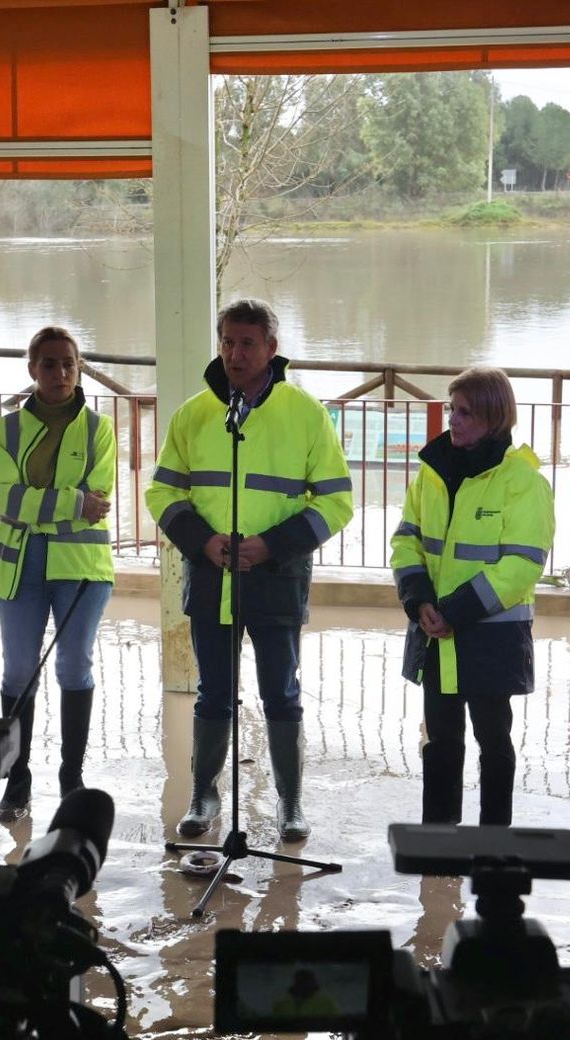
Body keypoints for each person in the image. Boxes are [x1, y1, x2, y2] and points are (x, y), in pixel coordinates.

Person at [146, 299, 353, 841]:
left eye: (246, 343)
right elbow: (162, 489)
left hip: (277, 577)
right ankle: (204, 794)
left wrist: (273, 545)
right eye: (227, 342)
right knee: (213, 692)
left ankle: (290, 803)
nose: (235, 354)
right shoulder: (193, 414)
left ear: (271, 349)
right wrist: (200, 540)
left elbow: (337, 502)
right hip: (210, 576)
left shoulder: (306, 413)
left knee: (280, 692)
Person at [390, 367, 554, 826]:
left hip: (489, 639)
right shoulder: (431, 474)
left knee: (493, 742)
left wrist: (456, 612)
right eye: (451, 409)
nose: (453, 421)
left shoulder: (524, 483)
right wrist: (418, 600)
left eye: (464, 413)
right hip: (434, 630)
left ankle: (492, 840)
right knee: (440, 740)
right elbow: (406, 540)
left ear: (494, 418)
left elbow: (522, 565)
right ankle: (440, 839)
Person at [0, 325, 116, 822]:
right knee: (19, 672)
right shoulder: (4, 430)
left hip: (81, 567)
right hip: (18, 566)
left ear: (78, 368)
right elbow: (7, 501)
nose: (60, 373)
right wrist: (71, 502)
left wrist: (48, 505)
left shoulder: (99, 428)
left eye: (68, 364)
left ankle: (71, 777)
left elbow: (98, 503)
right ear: (32, 370)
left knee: (73, 668)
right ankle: (17, 781)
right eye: (49, 364)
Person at [271, 969, 339, 1017]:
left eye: (307, 982)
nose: (305, 985)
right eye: (302, 982)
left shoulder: (326, 1003)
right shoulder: (282, 1004)